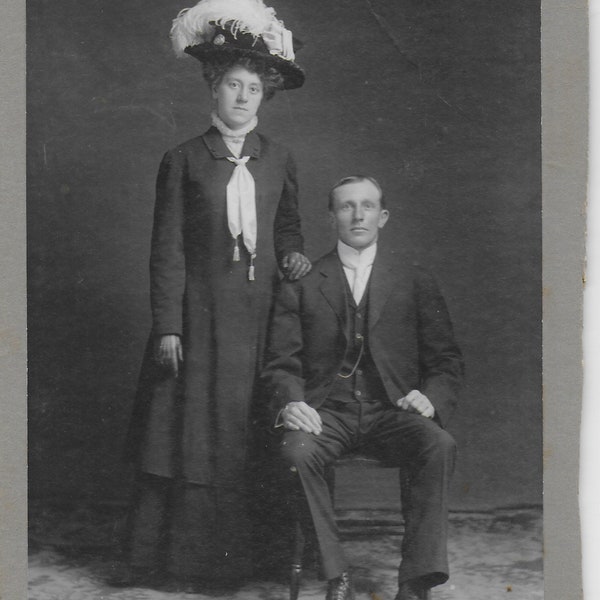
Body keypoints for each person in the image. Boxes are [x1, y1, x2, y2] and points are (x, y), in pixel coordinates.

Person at [121, 0, 311, 590]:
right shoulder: (182, 160)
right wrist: (169, 325)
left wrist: (294, 254)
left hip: (257, 323)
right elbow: (167, 249)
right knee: (193, 433)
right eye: (233, 84)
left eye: (254, 87)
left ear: (265, 94)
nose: (243, 96)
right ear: (213, 87)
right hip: (199, 320)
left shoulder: (278, 159)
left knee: (246, 433)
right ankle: (181, 564)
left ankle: (256, 560)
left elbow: (287, 229)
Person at [261, 176, 464, 600]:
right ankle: (338, 575)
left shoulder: (414, 279)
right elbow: (281, 362)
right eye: (347, 206)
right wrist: (291, 402)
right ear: (331, 217)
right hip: (326, 412)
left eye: (367, 206)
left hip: (391, 412)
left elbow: (445, 361)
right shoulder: (302, 281)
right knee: (295, 451)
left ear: (383, 216)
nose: (357, 215)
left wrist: (429, 397)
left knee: (439, 445)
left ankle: (414, 583)